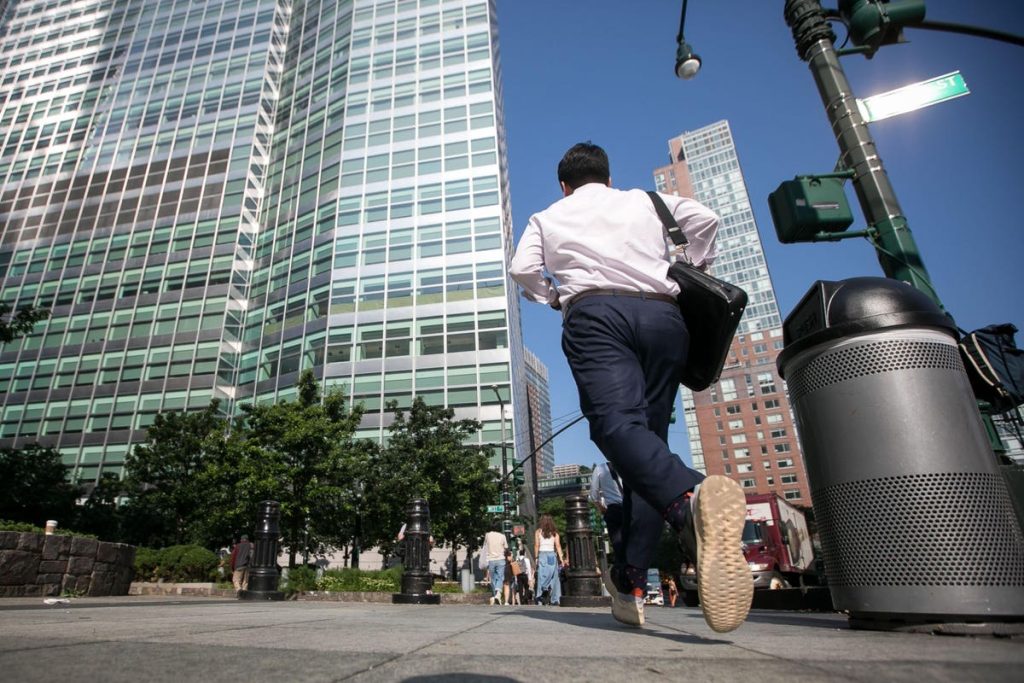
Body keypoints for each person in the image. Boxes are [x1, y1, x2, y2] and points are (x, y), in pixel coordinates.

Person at [509, 142, 751, 633]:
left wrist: (553, 296)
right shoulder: (646, 201)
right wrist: (697, 264)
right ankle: (632, 582)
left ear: (564, 185)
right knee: (647, 449)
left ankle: (689, 503)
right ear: (608, 177)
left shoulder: (547, 217)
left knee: (616, 426)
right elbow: (706, 219)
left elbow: (522, 270)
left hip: (597, 315)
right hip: (664, 318)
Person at [588, 461, 624, 595]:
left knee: (619, 547)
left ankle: (622, 584)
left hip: (614, 510)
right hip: (631, 509)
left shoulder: (600, 469)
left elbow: (593, 495)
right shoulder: (627, 464)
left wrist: (602, 509)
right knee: (633, 546)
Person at [533, 514, 566, 606]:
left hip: (542, 554)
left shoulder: (538, 532)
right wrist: (561, 559)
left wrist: (536, 557)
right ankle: (555, 599)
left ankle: (541, 595)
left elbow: (536, 545)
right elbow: (558, 546)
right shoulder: (555, 533)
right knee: (554, 577)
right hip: (552, 555)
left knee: (541, 576)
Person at [482, 522, 508, 605]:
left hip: (491, 559)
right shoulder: (502, 536)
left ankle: (495, 595)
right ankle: (498, 594)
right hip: (501, 559)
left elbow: (485, 545)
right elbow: (506, 548)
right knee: (500, 577)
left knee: (493, 578)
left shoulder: (488, 535)